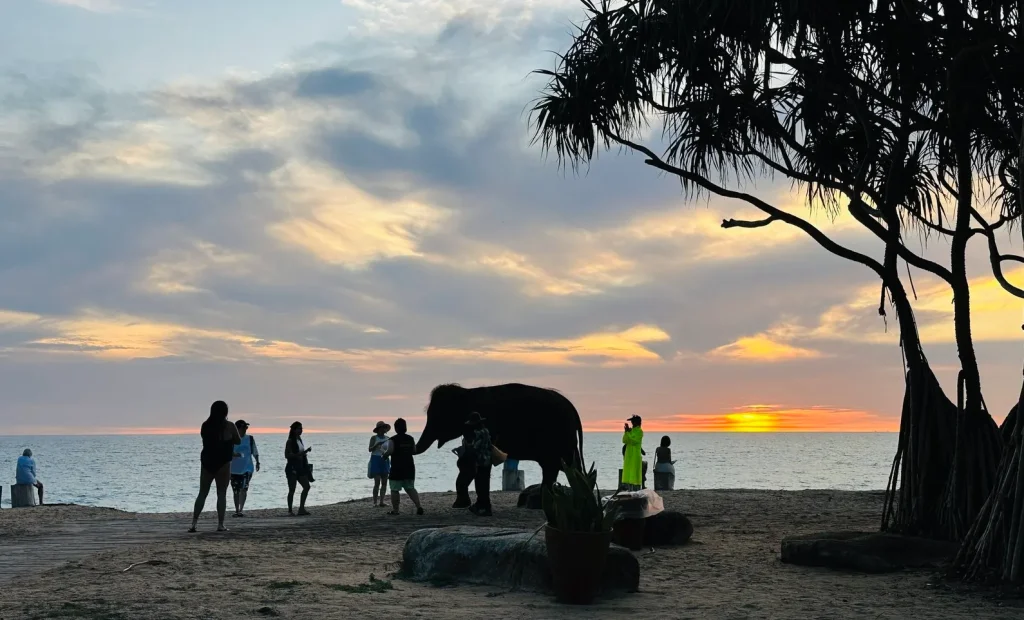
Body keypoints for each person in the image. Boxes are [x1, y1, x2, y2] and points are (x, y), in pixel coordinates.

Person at [190, 401, 242, 533]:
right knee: (221, 493)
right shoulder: (229, 426)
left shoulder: (206, 425)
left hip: (207, 461)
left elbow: (205, 439)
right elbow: (238, 440)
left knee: (202, 493)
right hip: (223, 462)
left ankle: (194, 523)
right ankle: (220, 524)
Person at [383, 418, 424, 515]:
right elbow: (414, 451)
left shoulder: (392, 439)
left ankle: (396, 510)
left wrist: (384, 456)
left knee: (394, 489)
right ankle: (419, 506)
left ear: (396, 428)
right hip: (409, 467)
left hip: (397, 468)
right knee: (410, 488)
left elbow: (390, 451)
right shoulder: (410, 438)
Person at [230, 420, 260, 517]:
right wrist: (234, 455)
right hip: (234, 469)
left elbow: (254, 450)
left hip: (247, 468)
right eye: (243, 428)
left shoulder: (249, 439)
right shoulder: (231, 439)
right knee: (236, 490)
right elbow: (226, 452)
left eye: (246, 428)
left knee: (244, 488)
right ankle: (236, 510)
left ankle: (241, 509)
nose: (245, 430)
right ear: (237, 429)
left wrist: (257, 461)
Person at [465, 411, 493, 516]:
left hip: (480, 461)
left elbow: (475, 447)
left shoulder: (478, 433)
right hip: (488, 460)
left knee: (480, 484)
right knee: (485, 483)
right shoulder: (486, 431)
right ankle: (482, 505)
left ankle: (485, 507)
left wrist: (468, 445)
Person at [285, 421, 312, 516]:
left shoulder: (299, 440)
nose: (301, 430)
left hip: (300, 467)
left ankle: (301, 508)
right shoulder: (290, 441)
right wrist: (301, 453)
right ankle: (290, 510)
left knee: (307, 486)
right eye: (299, 428)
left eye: (301, 428)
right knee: (292, 489)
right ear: (294, 430)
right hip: (292, 468)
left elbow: (301, 454)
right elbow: (287, 455)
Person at [367, 421, 392, 507]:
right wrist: (377, 444)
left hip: (384, 459)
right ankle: (375, 502)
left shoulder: (388, 438)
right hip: (376, 459)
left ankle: (381, 501)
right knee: (377, 482)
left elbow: (390, 450)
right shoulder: (374, 438)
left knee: (384, 482)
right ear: (378, 429)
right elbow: (370, 449)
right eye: (382, 428)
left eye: (384, 428)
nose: (383, 429)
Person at [621, 415, 644, 491]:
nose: (632, 423)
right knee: (628, 473)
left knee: (635, 473)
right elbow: (624, 440)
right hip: (628, 454)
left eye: (633, 422)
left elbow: (633, 441)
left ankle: (636, 490)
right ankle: (629, 489)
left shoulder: (639, 431)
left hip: (635, 455)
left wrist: (628, 433)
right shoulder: (631, 431)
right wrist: (626, 432)